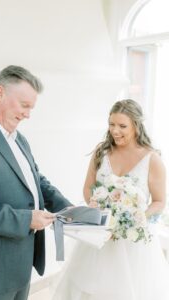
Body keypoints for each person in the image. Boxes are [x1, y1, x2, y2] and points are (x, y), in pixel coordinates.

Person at [0, 65, 73, 300]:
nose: (28, 114)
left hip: (20, 269)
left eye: (31, 108)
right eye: (24, 105)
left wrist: (70, 210)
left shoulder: (19, 138)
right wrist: (27, 219)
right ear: (0, 93)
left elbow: (37, 181)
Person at [52, 99, 169, 300]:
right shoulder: (101, 152)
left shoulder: (152, 159)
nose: (115, 131)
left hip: (133, 242)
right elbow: (88, 188)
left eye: (122, 126)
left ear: (136, 125)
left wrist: (138, 216)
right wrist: (98, 209)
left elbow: (159, 202)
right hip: (100, 237)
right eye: (111, 124)